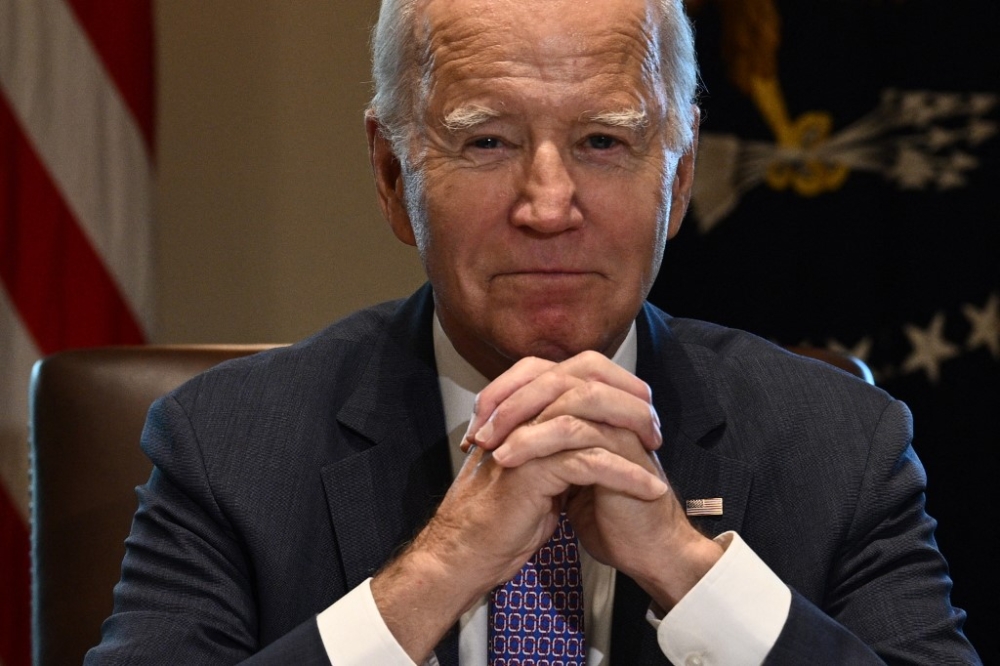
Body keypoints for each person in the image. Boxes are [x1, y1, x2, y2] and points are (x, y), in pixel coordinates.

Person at [86, 0, 980, 663]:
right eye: (487, 143)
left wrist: (687, 567)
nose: (549, 207)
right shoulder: (225, 446)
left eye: (602, 141)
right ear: (393, 176)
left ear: (679, 180)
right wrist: (437, 570)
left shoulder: (840, 446)